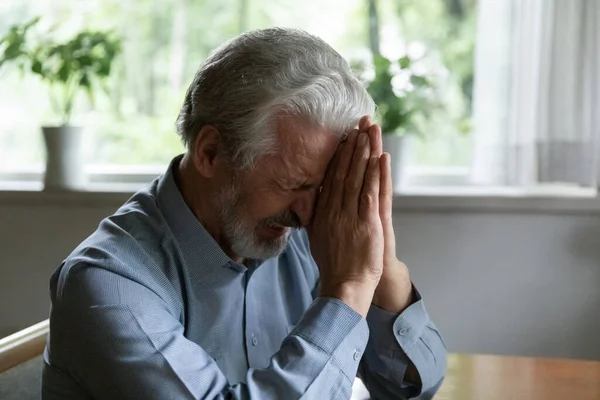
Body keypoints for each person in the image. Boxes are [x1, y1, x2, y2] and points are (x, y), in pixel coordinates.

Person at [42, 28, 446, 399]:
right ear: (209, 152)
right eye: (292, 184)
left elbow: (409, 389)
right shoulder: (107, 287)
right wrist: (350, 286)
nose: (307, 215)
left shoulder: (305, 239)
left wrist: (380, 262)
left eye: (322, 188)